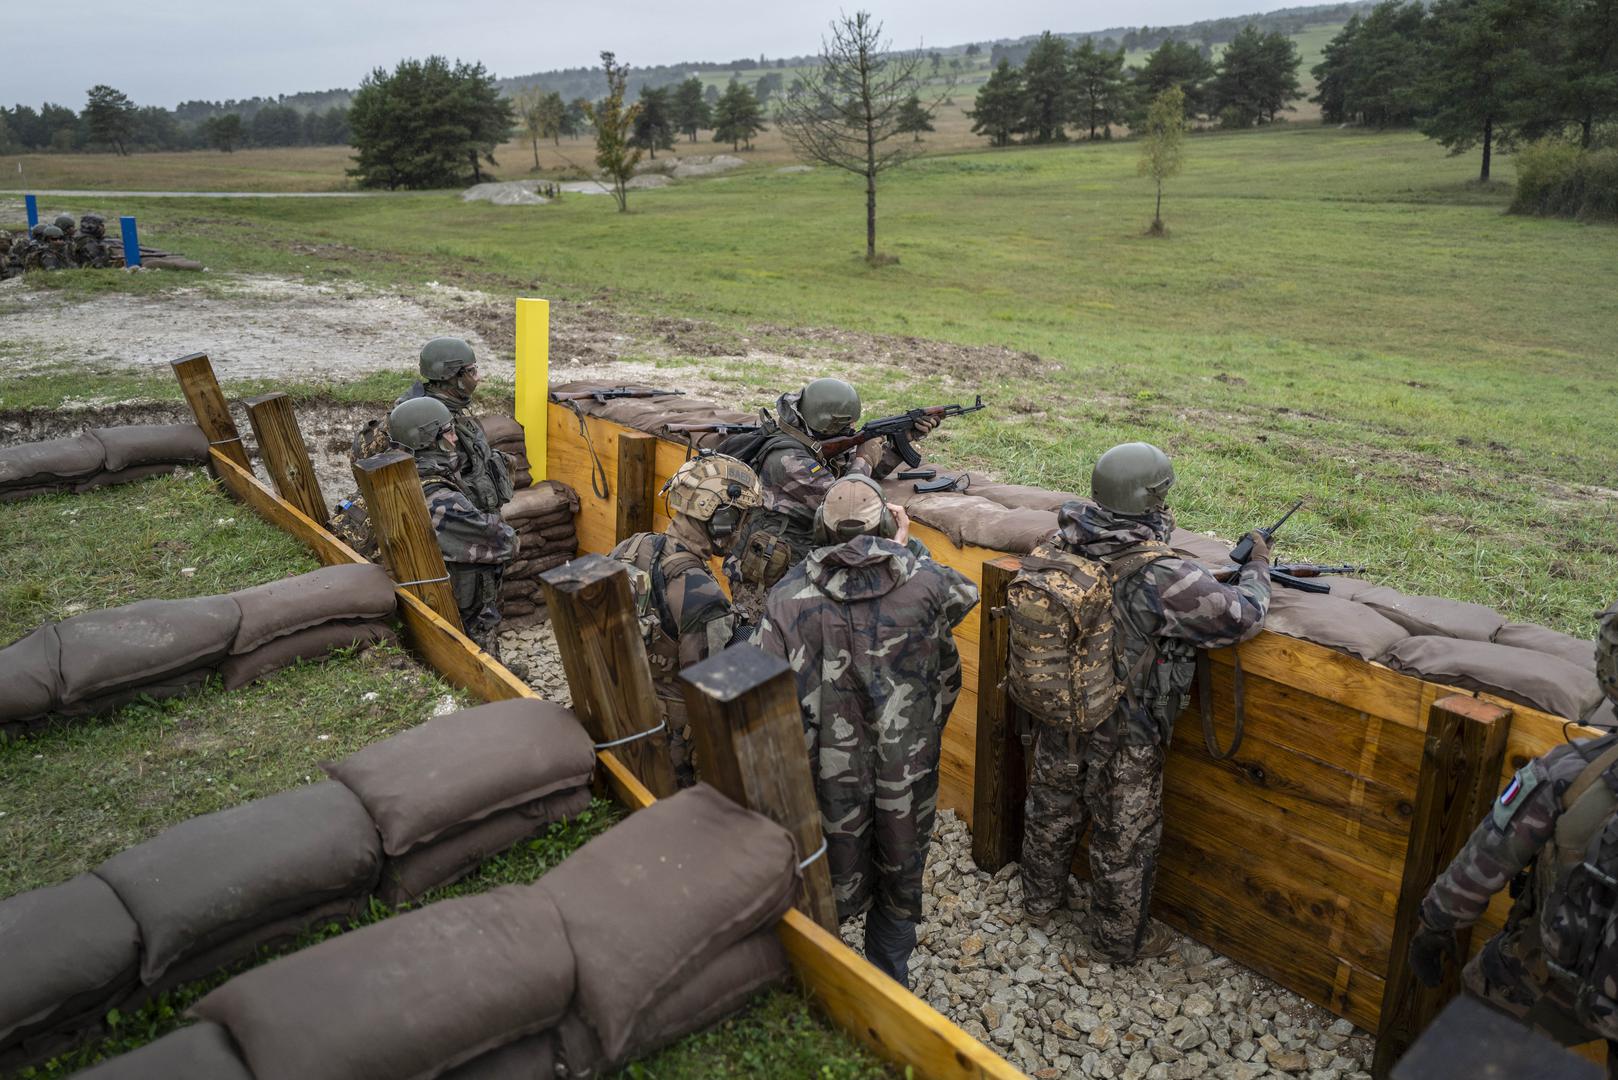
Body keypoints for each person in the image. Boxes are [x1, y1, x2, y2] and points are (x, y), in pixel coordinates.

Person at [1019, 441, 1272, 963]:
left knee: (1051, 808)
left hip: (1059, 708)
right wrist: (1259, 567)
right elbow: (1242, 618)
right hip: (1126, 729)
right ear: (1152, 499)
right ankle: (1117, 942)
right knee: (1124, 838)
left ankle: (1039, 900)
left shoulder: (1057, 542)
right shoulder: (1163, 574)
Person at [758, 473, 979, 987]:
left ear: (821, 527)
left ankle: (822, 977)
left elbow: (764, 677)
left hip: (824, 771)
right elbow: (963, 595)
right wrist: (906, 547)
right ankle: (888, 982)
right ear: (886, 523)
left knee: (825, 863)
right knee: (901, 863)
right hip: (906, 767)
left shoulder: (787, 597)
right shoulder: (925, 583)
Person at [1409, 601, 1618, 1074]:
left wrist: (1434, 927)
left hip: (1557, 980)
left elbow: (1482, 866)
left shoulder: (1573, 773)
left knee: (1477, 1027)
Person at [724, 377, 937, 618]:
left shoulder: (810, 439)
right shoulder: (787, 459)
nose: (853, 431)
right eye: (848, 427)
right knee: (759, 645)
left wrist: (902, 441)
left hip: (794, 562)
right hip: (766, 577)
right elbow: (847, 501)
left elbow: (856, 475)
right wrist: (864, 459)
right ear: (830, 424)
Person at [609, 451, 762, 787]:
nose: (742, 528)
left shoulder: (633, 547)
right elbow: (708, 694)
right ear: (720, 519)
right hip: (670, 746)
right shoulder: (701, 593)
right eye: (741, 518)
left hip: (623, 706)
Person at [387, 397, 518, 662]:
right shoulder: (441, 500)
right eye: (448, 431)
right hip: (455, 613)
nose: (455, 438)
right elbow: (505, 543)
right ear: (428, 440)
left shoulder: (396, 476)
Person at [393, 337, 513, 516]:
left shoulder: (450, 408)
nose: (478, 378)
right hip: (452, 523)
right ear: (451, 375)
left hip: (476, 518)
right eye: (471, 371)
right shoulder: (424, 422)